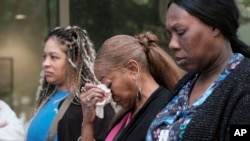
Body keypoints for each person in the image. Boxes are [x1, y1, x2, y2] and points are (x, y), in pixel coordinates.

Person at [146, 0, 250, 140]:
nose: (172, 44)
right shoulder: (186, 83)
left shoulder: (244, 84)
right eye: (170, 35)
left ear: (215, 26)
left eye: (181, 32)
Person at [79, 31, 184, 141]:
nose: (108, 94)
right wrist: (87, 122)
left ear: (133, 69)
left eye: (109, 85)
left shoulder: (166, 112)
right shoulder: (127, 114)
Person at [26, 26, 115, 141]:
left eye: (54, 57)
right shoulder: (48, 98)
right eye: (45, 57)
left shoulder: (92, 101)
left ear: (75, 59)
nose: (46, 63)